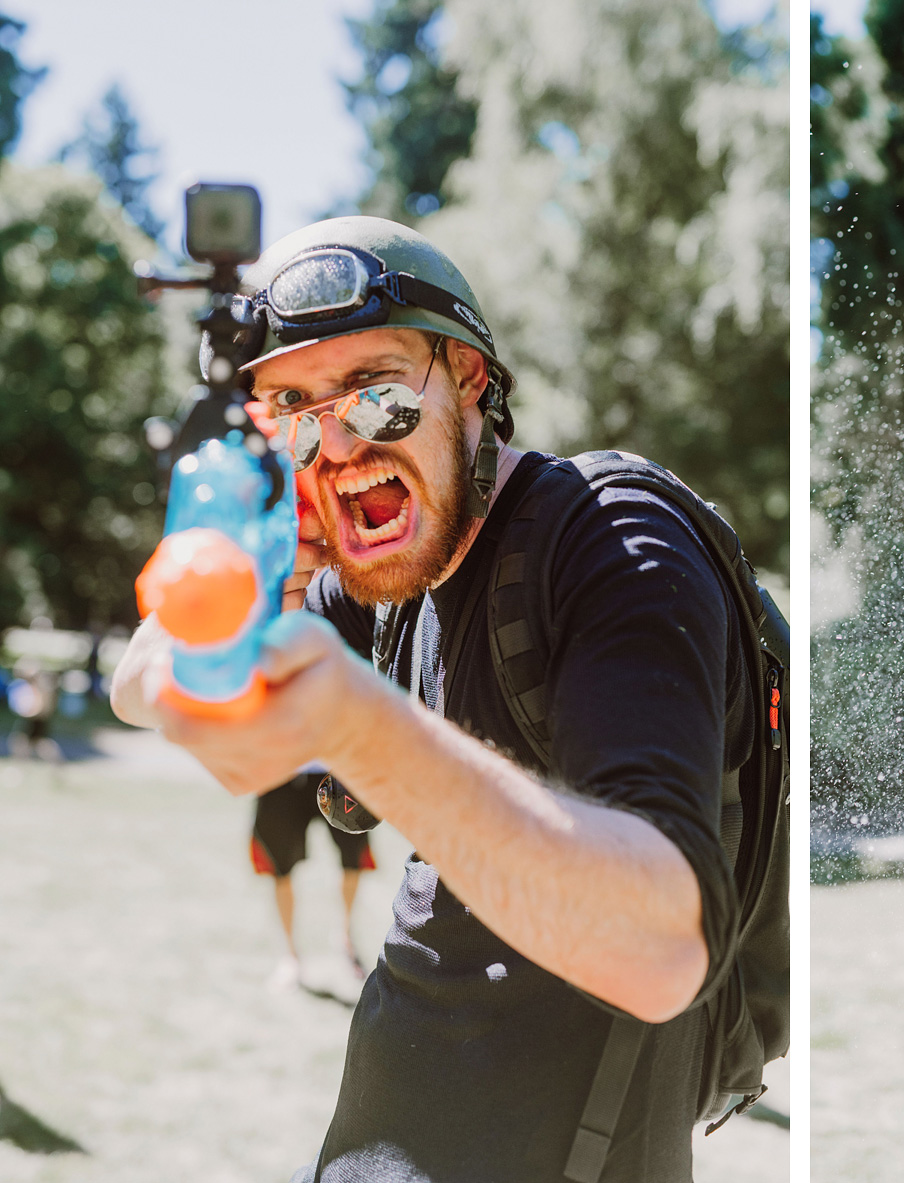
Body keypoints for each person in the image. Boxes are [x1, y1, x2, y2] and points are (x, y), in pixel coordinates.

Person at [112, 217, 754, 1182]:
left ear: (470, 381)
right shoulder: (383, 583)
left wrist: (352, 723)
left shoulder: (615, 540)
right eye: (290, 411)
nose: (335, 446)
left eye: (376, 395)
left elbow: (660, 952)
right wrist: (250, 571)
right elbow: (136, 684)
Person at [250, 763, 375, 993]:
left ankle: (345, 939)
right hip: (282, 770)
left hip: (338, 766)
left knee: (353, 858)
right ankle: (290, 956)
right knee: (280, 867)